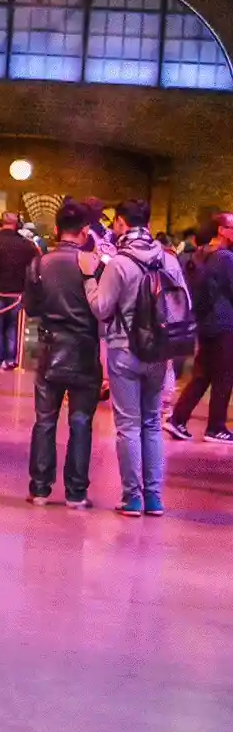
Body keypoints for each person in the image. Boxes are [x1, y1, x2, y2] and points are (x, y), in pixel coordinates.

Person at [81, 199, 189, 517]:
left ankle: (133, 498)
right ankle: (154, 498)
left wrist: (90, 281)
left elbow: (101, 308)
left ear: (121, 224)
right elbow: (183, 304)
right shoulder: (168, 260)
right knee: (152, 424)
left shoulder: (119, 263)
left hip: (124, 349)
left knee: (128, 426)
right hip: (159, 352)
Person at [23, 201, 104, 507]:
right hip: (85, 349)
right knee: (81, 422)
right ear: (85, 232)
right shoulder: (94, 263)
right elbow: (103, 309)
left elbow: (31, 308)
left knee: (45, 420)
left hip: (50, 348)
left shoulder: (39, 263)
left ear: (56, 230)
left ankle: (40, 489)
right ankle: (76, 493)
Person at [167, 213, 233, 443]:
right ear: (221, 230)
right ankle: (216, 427)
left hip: (206, 324)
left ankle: (178, 419)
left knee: (202, 375)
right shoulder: (225, 257)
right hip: (224, 324)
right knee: (224, 376)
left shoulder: (202, 254)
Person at [0, 212, 42, 370]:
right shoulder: (24, 244)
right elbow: (37, 260)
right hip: (16, 291)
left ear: (1, 223)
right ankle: (10, 358)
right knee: (13, 325)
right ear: (17, 225)